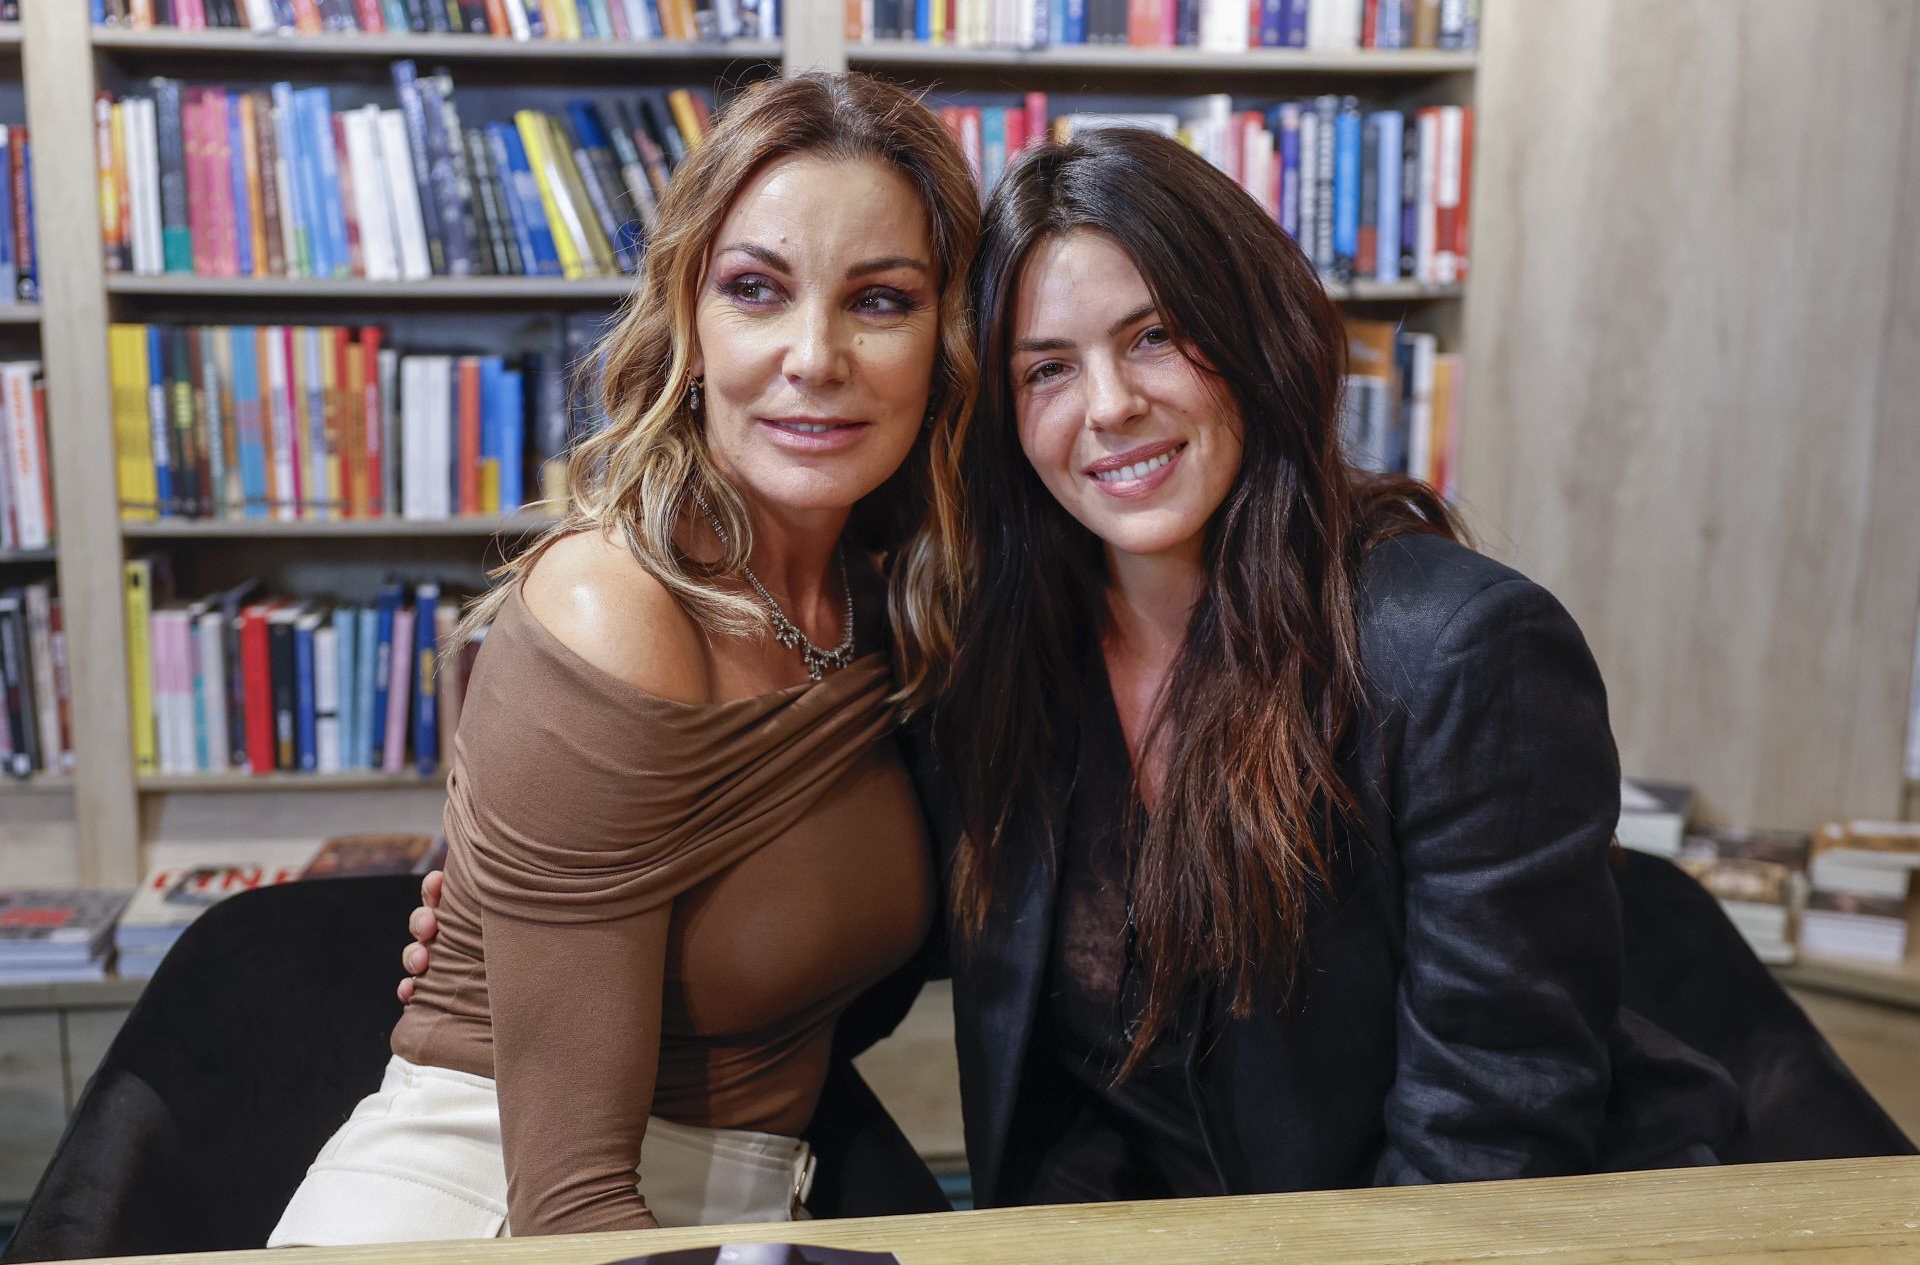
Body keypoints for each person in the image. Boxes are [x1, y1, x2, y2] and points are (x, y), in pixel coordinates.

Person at [400, 126, 1744, 1213]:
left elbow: (1490, 1133)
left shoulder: (1457, 648)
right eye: (1049, 367)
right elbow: (866, 938)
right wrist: (524, 936)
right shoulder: (994, 649)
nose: (1108, 408)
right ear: (993, 405)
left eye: (1156, 337)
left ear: (1259, 339)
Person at [270, 72, 980, 1244]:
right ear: (690, 325)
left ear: (944, 340)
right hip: (494, 1209)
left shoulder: (891, 597)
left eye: (881, 300)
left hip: (740, 1207)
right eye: (756, 289)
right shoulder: (616, 602)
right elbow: (569, 1203)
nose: (813, 355)